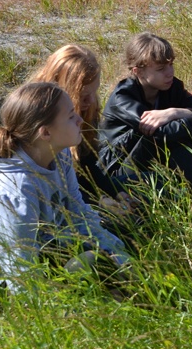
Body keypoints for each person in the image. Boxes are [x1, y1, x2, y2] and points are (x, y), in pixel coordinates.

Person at [0, 82, 129, 308]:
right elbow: (19, 268)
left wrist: (120, 254)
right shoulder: (14, 192)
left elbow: (78, 213)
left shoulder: (58, 155)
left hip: (51, 247)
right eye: (70, 116)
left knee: (122, 235)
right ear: (45, 132)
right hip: (7, 287)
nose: (80, 120)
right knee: (92, 262)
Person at [97, 32, 192, 194]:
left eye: (171, 64)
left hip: (154, 160)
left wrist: (175, 112)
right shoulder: (122, 98)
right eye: (161, 69)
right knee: (175, 136)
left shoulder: (171, 88)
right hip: (119, 170)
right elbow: (161, 133)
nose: (169, 72)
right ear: (138, 71)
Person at [30, 45, 134, 224]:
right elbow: (57, 187)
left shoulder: (85, 109)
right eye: (83, 94)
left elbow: (87, 162)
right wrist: (98, 204)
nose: (91, 100)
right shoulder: (40, 121)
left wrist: (114, 191)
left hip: (78, 193)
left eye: (94, 91)